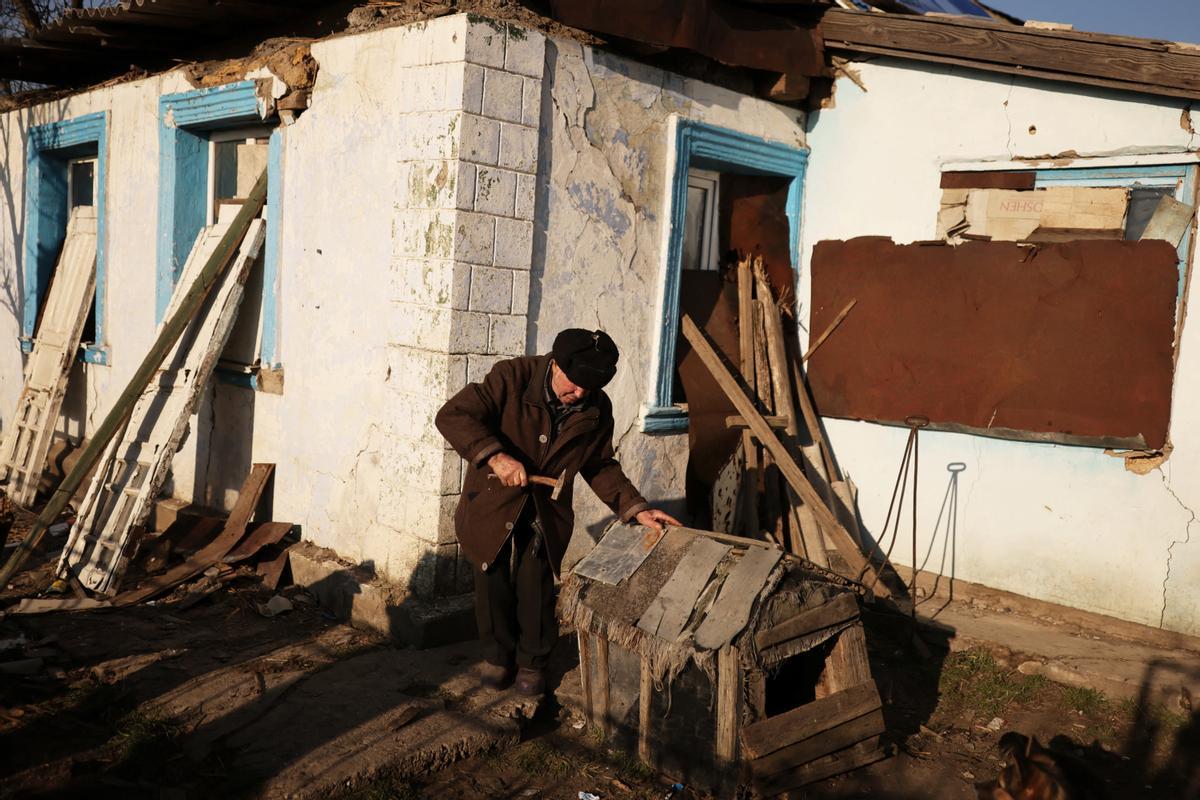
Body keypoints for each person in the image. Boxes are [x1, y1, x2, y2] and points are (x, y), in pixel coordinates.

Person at [435, 328, 680, 696]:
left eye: (588, 388)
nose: (579, 393)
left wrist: (635, 508)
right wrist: (496, 457)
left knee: (535, 582)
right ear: (555, 364)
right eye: (575, 382)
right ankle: (497, 656)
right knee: (492, 574)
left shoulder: (597, 408)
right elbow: (453, 415)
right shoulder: (511, 377)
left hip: (543, 507)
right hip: (493, 495)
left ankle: (533, 661)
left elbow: (599, 465)